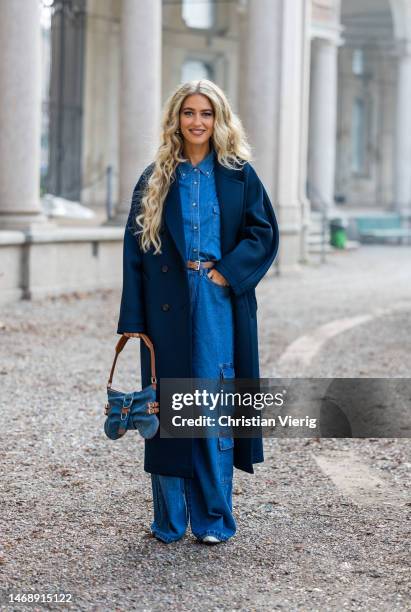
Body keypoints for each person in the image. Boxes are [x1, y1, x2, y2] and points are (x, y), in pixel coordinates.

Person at [117, 79, 279, 544]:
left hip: (216, 299)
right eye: (188, 112)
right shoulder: (154, 178)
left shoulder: (238, 174)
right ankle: (168, 521)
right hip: (164, 306)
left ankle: (212, 519)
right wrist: (133, 324)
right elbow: (133, 254)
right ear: (176, 118)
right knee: (166, 407)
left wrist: (226, 273)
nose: (197, 121)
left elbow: (262, 232)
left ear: (218, 119)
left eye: (206, 113)